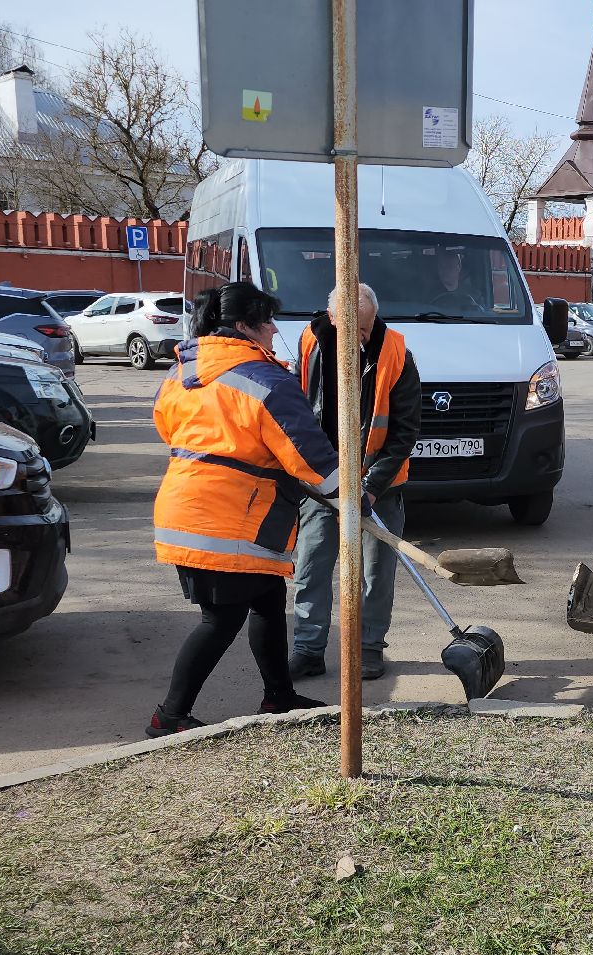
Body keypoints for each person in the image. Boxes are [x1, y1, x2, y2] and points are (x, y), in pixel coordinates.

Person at [147, 282, 343, 738]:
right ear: (245, 328)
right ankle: (168, 715)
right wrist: (349, 495)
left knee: (269, 603)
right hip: (227, 519)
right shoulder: (264, 380)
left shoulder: (183, 372)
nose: (276, 330)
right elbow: (308, 454)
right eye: (268, 321)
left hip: (193, 507)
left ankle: (279, 696)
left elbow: (167, 424)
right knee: (220, 620)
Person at [289, 282, 424, 680]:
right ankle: (309, 648)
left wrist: (373, 485)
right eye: (353, 329)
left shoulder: (397, 353)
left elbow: (404, 431)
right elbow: (297, 411)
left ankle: (368, 648)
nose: (361, 337)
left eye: (366, 328)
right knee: (311, 564)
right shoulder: (309, 345)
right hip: (321, 481)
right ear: (333, 320)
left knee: (376, 572)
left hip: (378, 485)